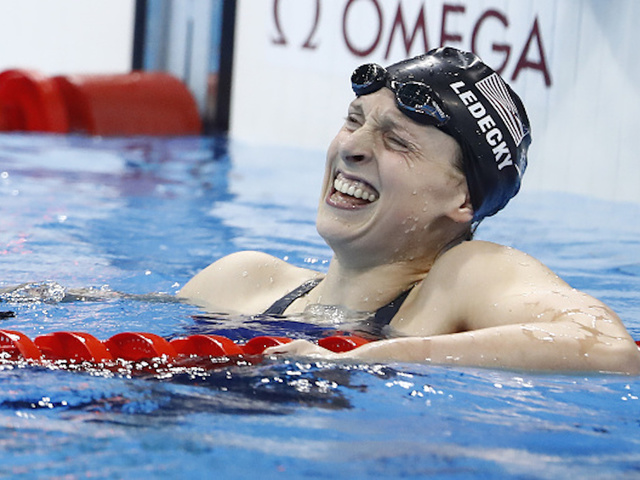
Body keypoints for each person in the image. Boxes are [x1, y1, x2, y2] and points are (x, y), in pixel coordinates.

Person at [179, 47, 640, 374]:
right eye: (353, 121)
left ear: (463, 200)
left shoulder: (463, 278)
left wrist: (367, 357)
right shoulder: (241, 279)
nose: (352, 149)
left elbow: (607, 348)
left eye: (397, 141)